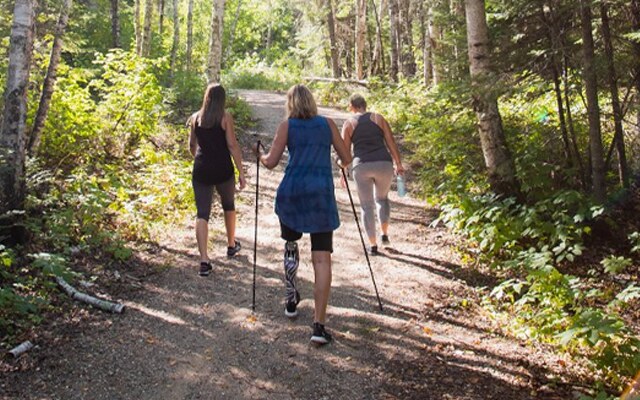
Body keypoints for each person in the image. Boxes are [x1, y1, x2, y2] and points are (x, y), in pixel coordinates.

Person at [256, 84, 351, 345]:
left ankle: (290, 298)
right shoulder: (328, 124)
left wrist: (260, 155)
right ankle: (318, 326)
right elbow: (346, 158)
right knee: (322, 259)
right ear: (312, 101)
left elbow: (272, 161)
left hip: (292, 193)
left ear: (291, 104)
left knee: (290, 244)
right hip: (320, 195)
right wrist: (338, 162)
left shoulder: (287, 126)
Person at [189, 83, 246, 277]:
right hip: (223, 169)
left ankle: (204, 260)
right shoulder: (225, 117)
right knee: (228, 205)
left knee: (202, 213)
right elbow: (232, 145)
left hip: (202, 169)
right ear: (222, 99)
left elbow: (192, 146)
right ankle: (231, 244)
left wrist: (200, 159)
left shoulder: (196, 118)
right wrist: (241, 172)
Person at [341, 94, 405, 255]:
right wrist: (398, 164)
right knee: (382, 199)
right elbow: (391, 142)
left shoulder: (349, 123)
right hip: (383, 164)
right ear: (365, 105)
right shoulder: (378, 118)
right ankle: (384, 234)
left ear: (351, 106)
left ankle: (373, 245)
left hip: (361, 166)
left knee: (366, 205)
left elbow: (345, 152)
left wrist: (343, 170)